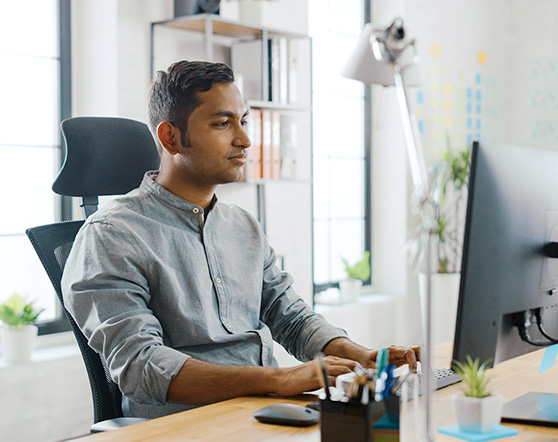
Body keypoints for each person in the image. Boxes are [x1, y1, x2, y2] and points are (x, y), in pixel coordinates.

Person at [62, 60, 420, 419]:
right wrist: (277, 380)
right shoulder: (111, 235)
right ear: (170, 137)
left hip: (267, 411)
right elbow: (142, 366)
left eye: (243, 121)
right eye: (222, 123)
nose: (245, 140)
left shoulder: (242, 226)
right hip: (191, 424)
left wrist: (354, 353)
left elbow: (290, 317)